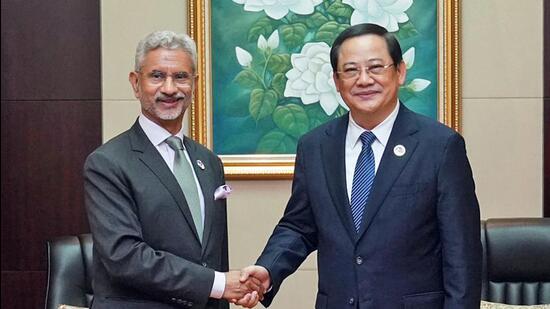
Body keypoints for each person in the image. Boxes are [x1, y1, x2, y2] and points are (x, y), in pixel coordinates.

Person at [239, 23, 482, 309]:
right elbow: (299, 226)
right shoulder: (315, 146)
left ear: (400, 71)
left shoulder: (440, 146)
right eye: (351, 70)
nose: (364, 80)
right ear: (336, 80)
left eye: (376, 67)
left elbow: (462, 255)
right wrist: (269, 268)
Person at [84, 31, 263, 309]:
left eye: (180, 77)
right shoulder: (107, 162)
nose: (169, 88)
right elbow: (124, 257)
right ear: (135, 83)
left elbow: (212, 257)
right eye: (156, 76)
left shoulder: (208, 162)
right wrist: (219, 284)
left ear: (195, 84)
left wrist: (231, 289)